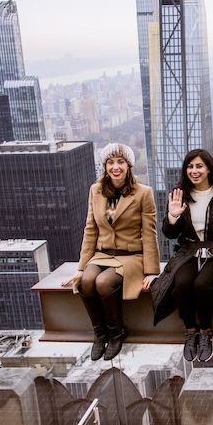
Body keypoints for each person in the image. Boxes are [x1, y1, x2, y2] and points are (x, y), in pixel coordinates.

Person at [66, 143, 160, 361]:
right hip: (102, 254)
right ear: (104, 165)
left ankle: (117, 332)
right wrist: (81, 268)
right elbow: (90, 229)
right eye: (110, 162)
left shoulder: (143, 193)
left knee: (103, 282)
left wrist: (152, 271)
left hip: (130, 256)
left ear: (129, 165)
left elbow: (149, 233)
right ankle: (100, 334)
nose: (115, 167)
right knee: (86, 281)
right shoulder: (96, 191)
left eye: (120, 162)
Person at [151, 149, 213, 363]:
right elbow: (170, 234)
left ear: (209, 168)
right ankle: (190, 330)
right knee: (181, 283)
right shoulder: (179, 195)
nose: (194, 171)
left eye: (199, 166)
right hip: (189, 251)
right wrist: (173, 216)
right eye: (190, 167)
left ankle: (206, 330)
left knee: (202, 284)